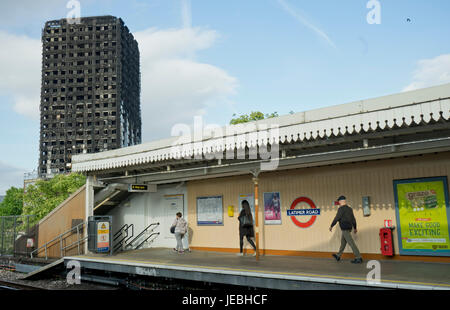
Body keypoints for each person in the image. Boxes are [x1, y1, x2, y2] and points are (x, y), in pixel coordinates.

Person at [329, 195, 363, 264]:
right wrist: (355, 227)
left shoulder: (341, 209)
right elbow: (353, 219)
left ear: (341, 201)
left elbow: (337, 218)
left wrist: (331, 226)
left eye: (339, 202)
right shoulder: (349, 209)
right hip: (349, 228)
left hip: (344, 228)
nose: (339, 203)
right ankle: (338, 255)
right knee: (343, 242)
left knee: (351, 243)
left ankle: (358, 257)